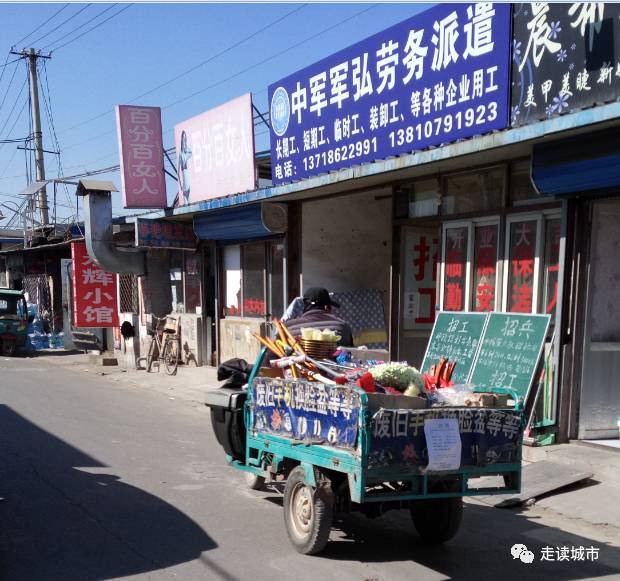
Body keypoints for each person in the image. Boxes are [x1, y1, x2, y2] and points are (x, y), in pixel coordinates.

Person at [284, 287, 353, 347]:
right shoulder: (343, 326)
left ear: (305, 306)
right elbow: (351, 353)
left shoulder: (286, 328)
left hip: (295, 361)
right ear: (326, 307)